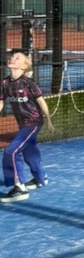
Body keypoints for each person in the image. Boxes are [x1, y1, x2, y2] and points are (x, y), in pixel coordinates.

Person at [1, 49, 54, 203]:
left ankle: (20, 188)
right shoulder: (4, 83)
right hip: (22, 124)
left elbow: (41, 101)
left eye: (17, 58)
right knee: (29, 151)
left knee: (11, 151)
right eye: (12, 57)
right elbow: (1, 102)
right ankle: (40, 177)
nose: (13, 58)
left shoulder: (28, 83)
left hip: (34, 122)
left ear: (24, 66)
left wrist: (49, 120)